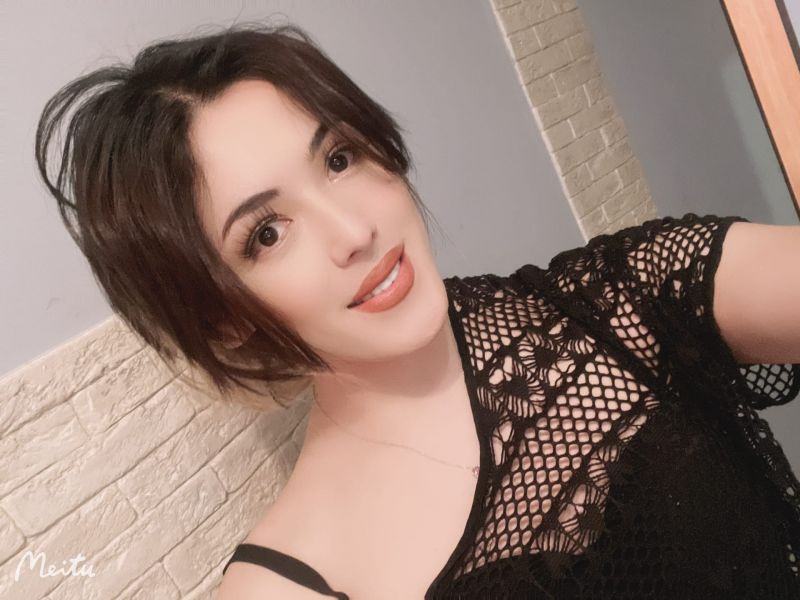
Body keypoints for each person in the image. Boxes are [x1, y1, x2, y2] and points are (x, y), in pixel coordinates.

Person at [34, 21, 800, 600]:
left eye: (338, 158)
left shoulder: (619, 302)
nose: (354, 231)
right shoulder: (291, 583)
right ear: (222, 318)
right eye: (266, 234)